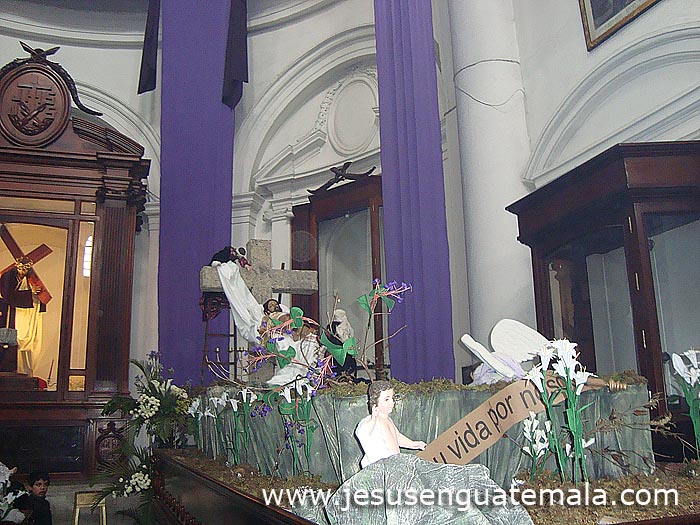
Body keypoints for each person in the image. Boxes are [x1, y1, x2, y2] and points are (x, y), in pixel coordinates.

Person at [355, 380, 425, 468]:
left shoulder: (388, 420)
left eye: (392, 398)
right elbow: (362, 434)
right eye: (386, 399)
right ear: (375, 402)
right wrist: (373, 420)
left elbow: (397, 437)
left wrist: (413, 444)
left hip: (394, 466)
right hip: (379, 469)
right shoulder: (369, 422)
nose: (392, 402)